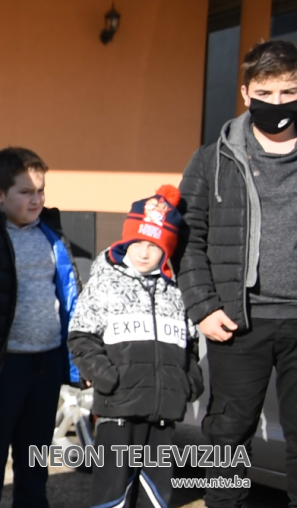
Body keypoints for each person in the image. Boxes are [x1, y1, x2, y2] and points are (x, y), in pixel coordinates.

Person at [178, 39, 297, 506]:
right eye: (265, 93)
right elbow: (187, 239)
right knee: (227, 437)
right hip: (238, 322)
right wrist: (204, 308)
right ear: (246, 93)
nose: (277, 103)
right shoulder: (211, 160)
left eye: (289, 92)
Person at [70, 185, 203, 508]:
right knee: (112, 496)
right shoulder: (106, 282)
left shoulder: (177, 291)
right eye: (138, 243)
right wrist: (107, 378)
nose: (144, 253)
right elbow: (81, 336)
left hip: (162, 417)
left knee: (157, 497)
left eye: (154, 246)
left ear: (167, 249)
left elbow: (191, 346)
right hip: (118, 413)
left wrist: (189, 383)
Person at [0, 147, 80, 508]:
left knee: (35, 455)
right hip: (1, 365)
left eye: (41, 191)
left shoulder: (52, 233)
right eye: (26, 192)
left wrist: (75, 359)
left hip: (46, 362)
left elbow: (68, 294)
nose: (37, 199)